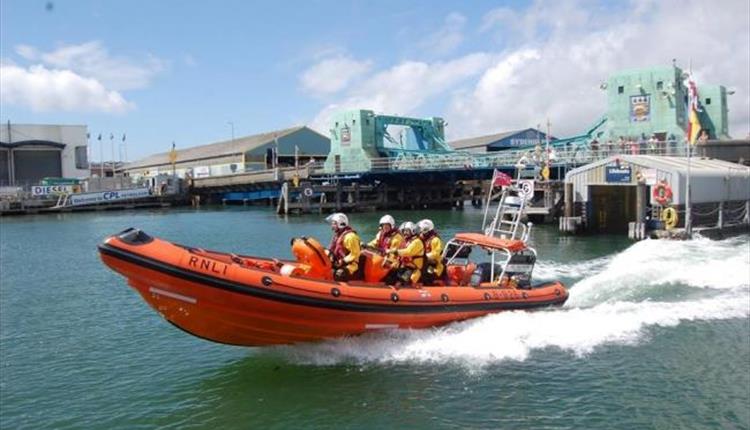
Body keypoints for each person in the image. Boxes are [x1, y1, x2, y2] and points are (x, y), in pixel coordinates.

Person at [325, 213, 361, 281]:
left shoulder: (350, 237)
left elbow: (355, 253)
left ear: (340, 224)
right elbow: (331, 249)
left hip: (350, 266)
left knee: (339, 275)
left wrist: (343, 261)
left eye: (334, 224)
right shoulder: (338, 235)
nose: (332, 226)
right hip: (339, 262)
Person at [390, 221, 424, 286]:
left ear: (413, 231)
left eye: (407, 231)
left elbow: (408, 252)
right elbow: (398, 254)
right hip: (404, 266)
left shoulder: (417, 241)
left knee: (401, 281)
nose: (405, 233)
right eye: (404, 231)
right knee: (390, 274)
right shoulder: (405, 241)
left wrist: (396, 251)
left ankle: (403, 289)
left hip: (413, 269)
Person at [417, 219, 444, 285]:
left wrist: (424, 256)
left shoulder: (435, 240)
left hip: (434, 265)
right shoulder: (421, 238)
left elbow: (436, 253)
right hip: (423, 263)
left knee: (427, 275)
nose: (420, 230)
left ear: (426, 229)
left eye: (421, 229)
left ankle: (436, 282)